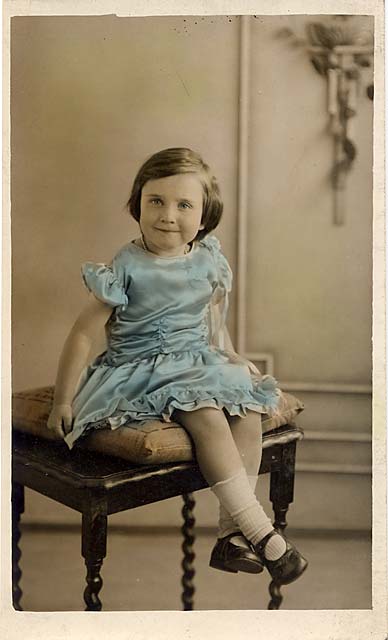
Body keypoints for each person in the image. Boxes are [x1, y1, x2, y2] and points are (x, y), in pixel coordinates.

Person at [47, 147, 308, 584]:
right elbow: (82, 334)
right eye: (156, 201)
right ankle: (262, 532)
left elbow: (209, 324)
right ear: (138, 204)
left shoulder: (206, 260)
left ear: (204, 218)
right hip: (140, 369)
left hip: (195, 361)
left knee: (248, 408)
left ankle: (231, 535)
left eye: (184, 204)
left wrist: (231, 357)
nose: (168, 215)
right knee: (207, 415)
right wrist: (61, 399)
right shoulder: (126, 266)